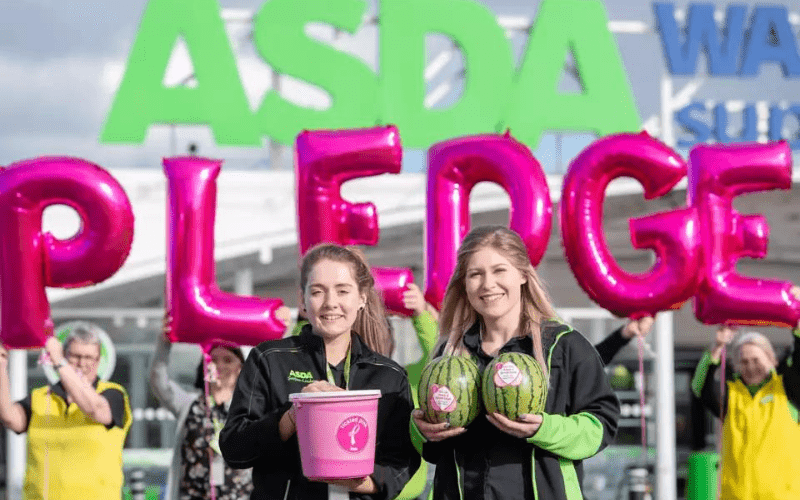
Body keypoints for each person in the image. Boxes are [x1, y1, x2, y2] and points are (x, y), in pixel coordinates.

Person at [413, 225, 620, 500]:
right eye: (476, 274)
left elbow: (601, 426)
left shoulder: (563, 346)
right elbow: (430, 451)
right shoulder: (449, 353)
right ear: (464, 284)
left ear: (523, 274)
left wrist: (544, 429)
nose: (488, 284)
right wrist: (421, 430)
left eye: (500, 271)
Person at [219, 243, 420, 500]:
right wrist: (292, 416)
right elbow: (234, 448)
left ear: (361, 298)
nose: (330, 303)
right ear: (302, 300)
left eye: (343, 291)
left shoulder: (389, 375)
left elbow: (402, 461)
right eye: (317, 292)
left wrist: (363, 484)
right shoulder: (269, 360)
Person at [0, 322, 132, 500]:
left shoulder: (112, 394)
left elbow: (95, 410)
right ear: (66, 354)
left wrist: (61, 363)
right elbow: (9, 417)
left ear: (99, 360)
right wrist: (1, 366)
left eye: (89, 358)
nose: (82, 363)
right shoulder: (41, 397)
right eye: (75, 356)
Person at [691, 317, 800, 499]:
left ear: (772, 360)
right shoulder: (730, 395)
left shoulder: (789, 390)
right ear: (736, 366)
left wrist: (797, 329)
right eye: (744, 361)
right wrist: (717, 347)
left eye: (757, 360)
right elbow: (700, 387)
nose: (751, 367)